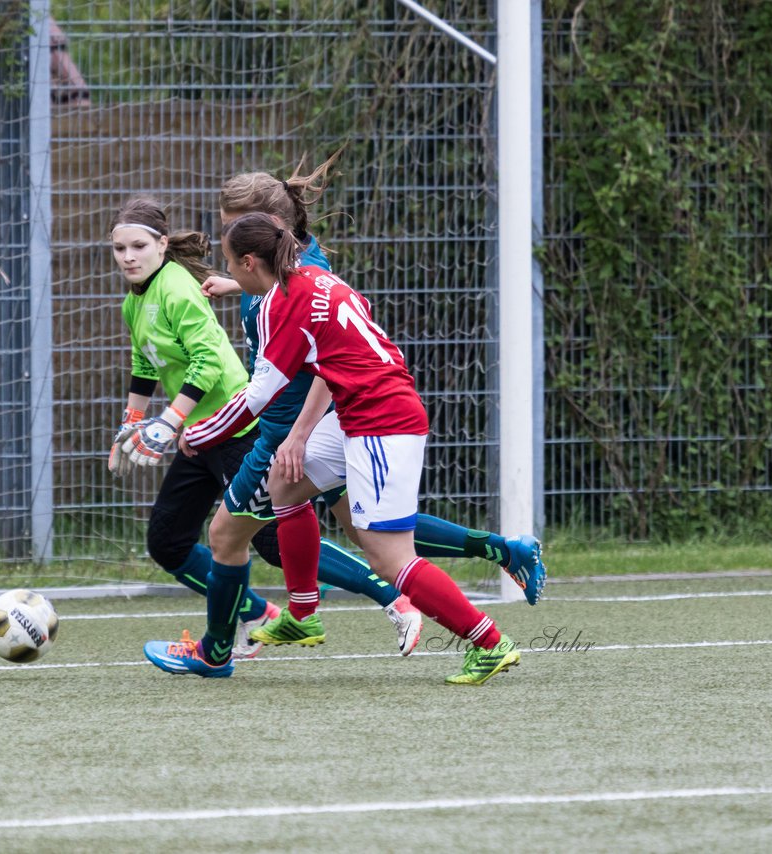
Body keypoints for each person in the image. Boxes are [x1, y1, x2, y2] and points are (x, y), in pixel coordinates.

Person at [150, 213, 522, 685]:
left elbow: (258, 397)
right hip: (358, 411)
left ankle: (489, 643)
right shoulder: (314, 276)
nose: (228, 273)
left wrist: (193, 435)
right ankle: (304, 611)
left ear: (248, 262)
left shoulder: (280, 307)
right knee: (285, 479)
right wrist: (299, 433)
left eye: (229, 263)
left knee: (390, 559)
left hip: (381, 423)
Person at [106, 197, 285, 658]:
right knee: (168, 542)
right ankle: (255, 614)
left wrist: (167, 421)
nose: (128, 256)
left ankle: (394, 591)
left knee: (274, 542)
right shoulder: (134, 301)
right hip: (196, 434)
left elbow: (206, 362)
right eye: (119, 248)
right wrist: (131, 423)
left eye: (138, 246)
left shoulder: (176, 288)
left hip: (235, 425)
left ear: (162, 244)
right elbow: (143, 362)